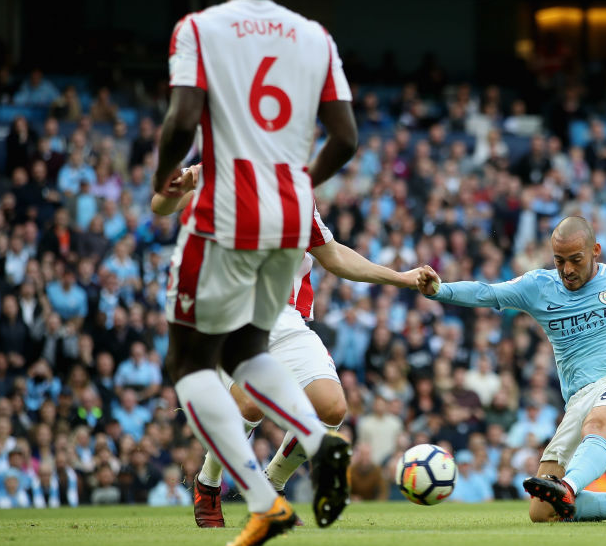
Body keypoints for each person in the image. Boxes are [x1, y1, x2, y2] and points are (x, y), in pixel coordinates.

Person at [152, 0, 358, 546]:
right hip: (284, 226)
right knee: (247, 353)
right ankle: (314, 452)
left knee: (189, 362)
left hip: (223, 218)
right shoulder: (315, 38)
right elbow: (345, 139)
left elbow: (183, 118)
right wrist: (298, 187)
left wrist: (164, 175)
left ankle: (268, 496)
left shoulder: (199, 29)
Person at [152, 164, 420, 527]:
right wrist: (178, 186)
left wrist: (400, 278)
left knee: (332, 409)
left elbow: (334, 255)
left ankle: (272, 483)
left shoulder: (298, 191)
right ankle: (208, 484)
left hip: (285, 318)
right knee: (250, 403)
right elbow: (160, 207)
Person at [415, 216, 606, 524]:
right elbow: (487, 293)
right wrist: (439, 291)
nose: (568, 270)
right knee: (542, 512)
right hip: (577, 402)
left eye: (576, 260)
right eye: (560, 261)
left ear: (595, 251)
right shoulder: (538, 286)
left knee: (597, 425)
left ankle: (567, 486)